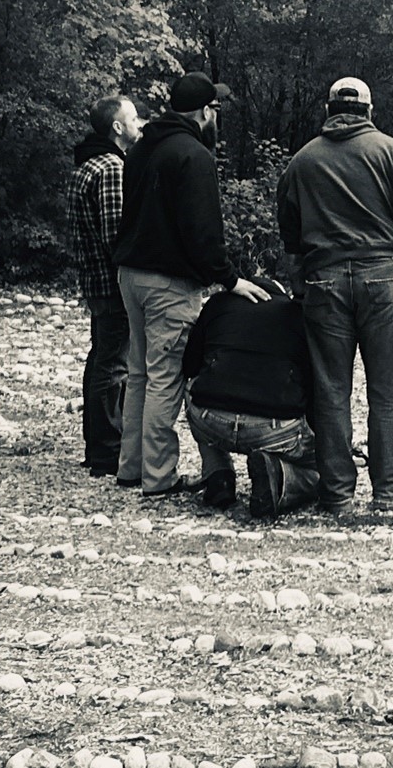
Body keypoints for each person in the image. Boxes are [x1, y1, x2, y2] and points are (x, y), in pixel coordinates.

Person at [276, 77, 393, 514]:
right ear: (369, 111)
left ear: (328, 110)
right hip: (384, 277)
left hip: (323, 281)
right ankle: (388, 495)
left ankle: (338, 495)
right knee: (389, 392)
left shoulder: (302, 161)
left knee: (330, 392)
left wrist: (299, 280)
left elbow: (289, 232)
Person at [113, 72, 270, 500]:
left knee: (140, 373)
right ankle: (159, 477)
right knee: (166, 379)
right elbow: (203, 229)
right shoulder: (193, 155)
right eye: (214, 110)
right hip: (169, 282)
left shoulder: (141, 149)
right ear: (204, 112)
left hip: (130, 274)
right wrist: (229, 278)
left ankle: (131, 467)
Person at [183, 277, 319, 518]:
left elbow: (190, 365)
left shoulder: (216, 304)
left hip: (211, 419)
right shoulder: (297, 314)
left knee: (194, 386)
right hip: (273, 428)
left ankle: (218, 475)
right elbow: (314, 387)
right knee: (320, 471)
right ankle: (278, 475)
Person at [68, 95, 144, 478]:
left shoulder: (86, 165)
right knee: (115, 364)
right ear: (117, 127)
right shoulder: (113, 168)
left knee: (101, 358)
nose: (140, 123)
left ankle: (97, 445)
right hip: (112, 282)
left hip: (93, 280)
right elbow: (117, 235)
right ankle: (109, 450)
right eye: (133, 118)